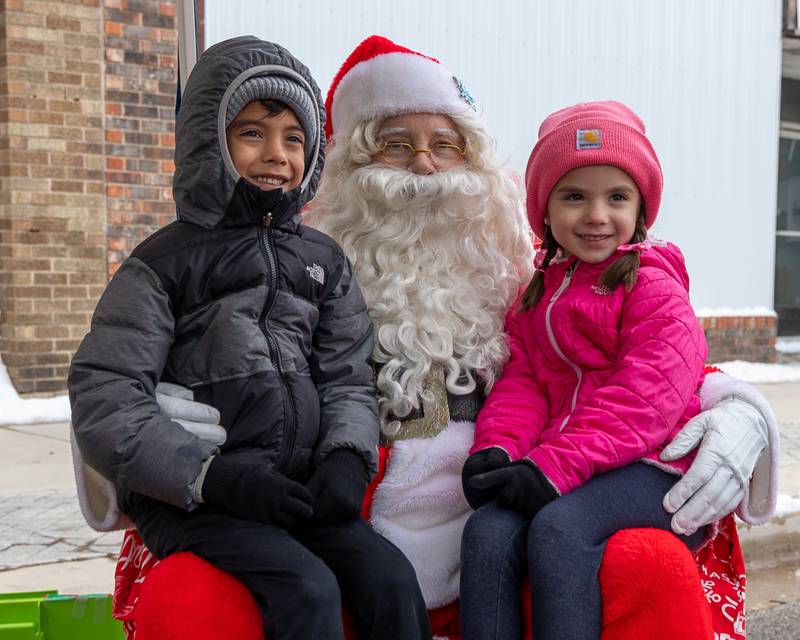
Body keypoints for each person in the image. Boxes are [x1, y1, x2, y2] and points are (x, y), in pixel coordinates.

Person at [140, 36, 777, 638]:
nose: (424, 166)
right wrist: (157, 435)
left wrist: (739, 410)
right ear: (349, 165)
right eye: (395, 144)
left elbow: (647, 360)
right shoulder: (289, 267)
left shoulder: (519, 268)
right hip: (343, 539)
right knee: (190, 590)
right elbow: (137, 375)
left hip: (513, 537)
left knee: (648, 565)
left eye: (446, 146)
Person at [68, 35, 431, 640]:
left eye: (294, 138)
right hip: (198, 496)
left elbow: (345, 375)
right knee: (306, 589)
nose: (277, 153)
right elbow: (107, 394)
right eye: (253, 132)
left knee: (389, 578)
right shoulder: (162, 264)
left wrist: (345, 456)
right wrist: (209, 475)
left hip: (293, 489)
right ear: (212, 141)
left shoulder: (324, 260)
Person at [459, 100, 709, 639]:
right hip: (572, 462)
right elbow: (523, 384)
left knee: (559, 529)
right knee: (489, 530)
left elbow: (644, 401)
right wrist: (496, 449)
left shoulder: (652, 288)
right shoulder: (539, 292)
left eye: (616, 197)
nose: (596, 215)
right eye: (575, 197)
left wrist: (552, 467)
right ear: (544, 212)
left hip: (655, 468)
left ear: (641, 208)